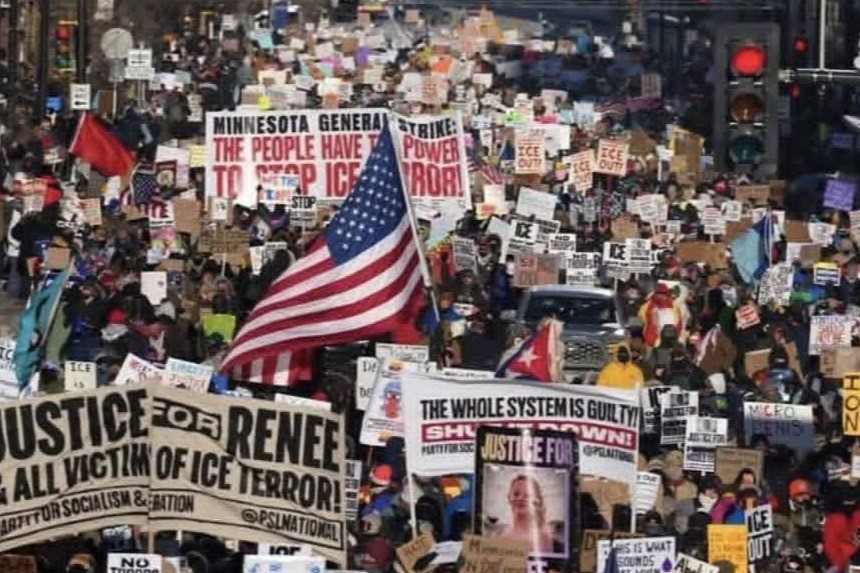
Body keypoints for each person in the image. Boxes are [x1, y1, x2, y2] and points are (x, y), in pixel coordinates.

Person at [492, 474, 555, 555]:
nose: (520, 498)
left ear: (537, 500)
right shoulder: (498, 535)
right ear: (508, 498)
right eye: (516, 494)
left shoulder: (545, 538)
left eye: (527, 495)